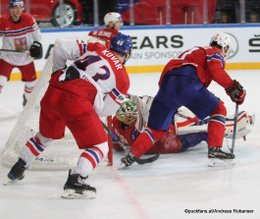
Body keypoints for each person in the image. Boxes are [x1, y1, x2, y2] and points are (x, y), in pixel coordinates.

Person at [6, 32, 133, 199]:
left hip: (53, 91)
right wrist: (90, 104)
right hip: (76, 102)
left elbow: (60, 48)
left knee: (45, 136)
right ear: (127, 54)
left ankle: (19, 166)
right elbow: (105, 111)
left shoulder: (97, 47)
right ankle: (76, 179)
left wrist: (57, 73)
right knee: (100, 145)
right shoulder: (123, 79)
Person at [120, 32, 246, 168]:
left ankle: (130, 156)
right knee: (218, 109)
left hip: (167, 85)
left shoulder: (198, 51)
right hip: (186, 80)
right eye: (226, 49)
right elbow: (216, 70)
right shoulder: (213, 51)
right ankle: (214, 150)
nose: (225, 53)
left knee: (155, 128)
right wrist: (233, 87)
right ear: (223, 46)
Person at [112, 96, 254, 154]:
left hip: (168, 134)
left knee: (198, 120)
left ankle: (226, 121)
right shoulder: (135, 130)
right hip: (172, 140)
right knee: (204, 128)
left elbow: (116, 144)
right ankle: (235, 127)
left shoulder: (117, 124)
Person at [0, 0, 42, 106]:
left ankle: (27, 100)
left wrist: (36, 45)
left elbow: (37, 35)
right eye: (15, 7)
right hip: (8, 58)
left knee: (32, 84)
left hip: (26, 57)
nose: (18, 10)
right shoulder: (3, 21)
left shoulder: (28, 19)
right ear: (10, 9)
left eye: (21, 7)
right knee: (0, 81)